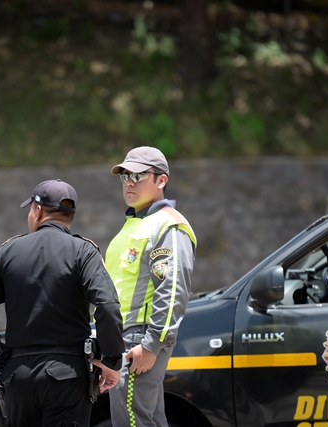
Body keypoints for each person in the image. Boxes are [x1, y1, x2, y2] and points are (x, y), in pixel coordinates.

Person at [0, 179, 125, 427]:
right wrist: (111, 360)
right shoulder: (84, 251)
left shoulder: (9, 251)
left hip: (19, 377)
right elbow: (108, 306)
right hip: (68, 377)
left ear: (37, 210)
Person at [106, 146, 197, 427]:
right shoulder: (134, 223)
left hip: (138, 340)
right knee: (149, 421)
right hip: (125, 336)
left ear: (161, 180)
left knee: (131, 422)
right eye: (125, 176)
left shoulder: (168, 226)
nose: (130, 182)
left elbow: (172, 291)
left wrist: (151, 344)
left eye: (138, 175)